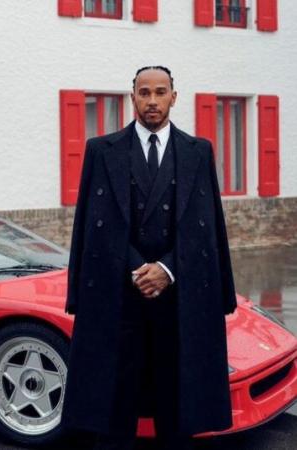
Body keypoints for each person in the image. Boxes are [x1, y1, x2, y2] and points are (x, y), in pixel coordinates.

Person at [61, 66, 237, 450]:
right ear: (133, 97)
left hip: (179, 300)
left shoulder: (198, 151)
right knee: (114, 404)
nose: (152, 101)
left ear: (174, 96)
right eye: (144, 93)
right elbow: (90, 225)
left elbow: (207, 228)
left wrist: (168, 269)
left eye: (160, 92)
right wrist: (137, 269)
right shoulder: (101, 150)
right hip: (118, 298)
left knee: (176, 403)